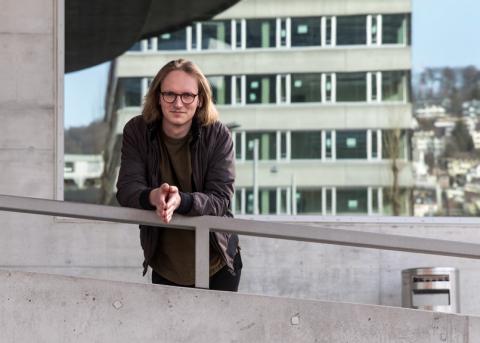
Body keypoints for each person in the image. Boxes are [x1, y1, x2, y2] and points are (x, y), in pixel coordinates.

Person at [116, 59, 241, 291]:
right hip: (165, 263)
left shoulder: (217, 135)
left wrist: (182, 200)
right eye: (170, 94)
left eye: (187, 95)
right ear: (158, 97)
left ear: (200, 99)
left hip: (218, 261)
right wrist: (154, 196)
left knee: (216, 329)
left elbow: (221, 198)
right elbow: (126, 189)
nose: (178, 103)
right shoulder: (137, 131)